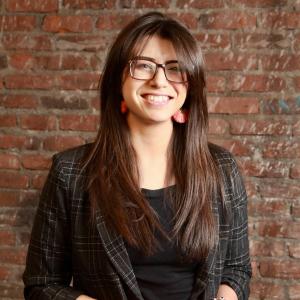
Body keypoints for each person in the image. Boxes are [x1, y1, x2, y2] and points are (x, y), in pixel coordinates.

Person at [23, 12, 251, 300]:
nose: (159, 80)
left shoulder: (222, 169)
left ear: (189, 85)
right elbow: (41, 284)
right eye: (143, 66)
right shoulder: (71, 172)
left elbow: (236, 269)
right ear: (118, 78)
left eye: (174, 68)